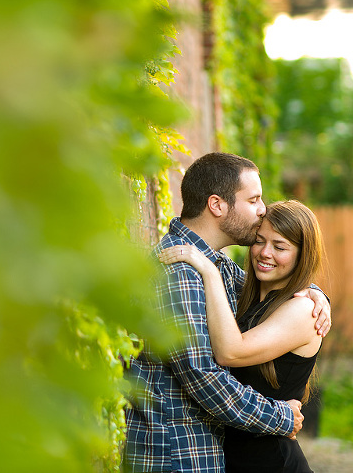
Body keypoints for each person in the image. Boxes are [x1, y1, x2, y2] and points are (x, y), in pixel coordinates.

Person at [123, 152, 331, 473]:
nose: (263, 210)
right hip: (175, 454)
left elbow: (267, 286)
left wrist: (315, 295)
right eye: (254, 199)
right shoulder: (181, 270)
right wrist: (281, 417)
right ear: (217, 205)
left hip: (201, 451)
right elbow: (205, 379)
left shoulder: (213, 264)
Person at [158, 200, 326, 472]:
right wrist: (318, 291)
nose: (264, 253)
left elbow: (230, 352)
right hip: (233, 458)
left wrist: (208, 271)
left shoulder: (303, 309)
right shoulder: (247, 293)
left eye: (280, 247)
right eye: (259, 241)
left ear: (302, 255)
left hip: (272, 462)